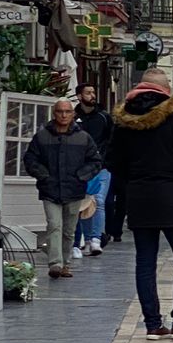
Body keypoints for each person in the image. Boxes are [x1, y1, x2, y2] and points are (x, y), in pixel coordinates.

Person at [108, 68, 173, 341]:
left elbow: (113, 161)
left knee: (145, 262)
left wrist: (132, 184)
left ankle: (153, 324)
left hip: (139, 198)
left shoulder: (124, 121)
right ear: (166, 89)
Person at [22, 99, 100, 279]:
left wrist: (81, 176)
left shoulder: (83, 138)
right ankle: (55, 263)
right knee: (54, 225)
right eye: (60, 111)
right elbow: (30, 160)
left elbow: (95, 161)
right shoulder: (42, 137)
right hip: (50, 189)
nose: (63, 115)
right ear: (54, 113)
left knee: (68, 230)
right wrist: (44, 175)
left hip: (74, 190)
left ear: (73, 114)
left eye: (67, 111)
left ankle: (65, 263)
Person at [76, 85, 120, 244]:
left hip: (101, 167)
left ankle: (96, 238)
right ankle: (85, 238)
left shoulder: (103, 117)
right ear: (79, 96)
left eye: (93, 92)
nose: (92, 95)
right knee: (83, 202)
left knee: (99, 200)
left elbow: (113, 139)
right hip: (79, 167)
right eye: (88, 93)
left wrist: (106, 159)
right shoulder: (74, 117)